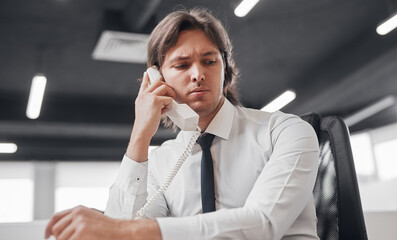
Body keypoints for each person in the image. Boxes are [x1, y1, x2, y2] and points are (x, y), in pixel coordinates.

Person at [45, 8, 320, 240]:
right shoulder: (163, 161)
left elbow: (263, 224)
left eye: (209, 61)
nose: (198, 74)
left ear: (226, 71)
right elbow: (124, 229)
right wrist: (140, 134)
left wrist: (127, 231)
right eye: (182, 65)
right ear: (157, 80)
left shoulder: (286, 131)